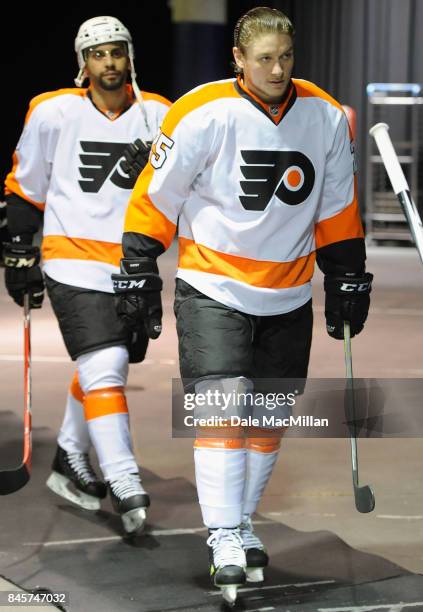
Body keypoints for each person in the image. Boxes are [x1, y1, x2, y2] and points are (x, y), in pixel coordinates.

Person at [113, 6, 372, 601]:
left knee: (269, 420)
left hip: (288, 292)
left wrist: (347, 278)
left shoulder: (326, 116)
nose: (277, 69)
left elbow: (336, 208)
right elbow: (157, 195)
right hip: (214, 288)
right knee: (224, 410)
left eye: (286, 57)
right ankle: (223, 534)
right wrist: (137, 268)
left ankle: (243, 522)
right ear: (238, 58)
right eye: (264, 59)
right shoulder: (201, 112)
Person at [3, 16, 171, 535]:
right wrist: (17, 252)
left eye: (117, 52)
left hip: (131, 264)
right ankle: (124, 480)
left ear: (130, 57)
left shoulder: (160, 115)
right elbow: (27, 185)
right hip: (71, 258)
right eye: (98, 54)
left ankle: (70, 458)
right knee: (107, 362)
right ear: (83, 63)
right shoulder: (52, 111)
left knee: (107, 363)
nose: (110, 63)